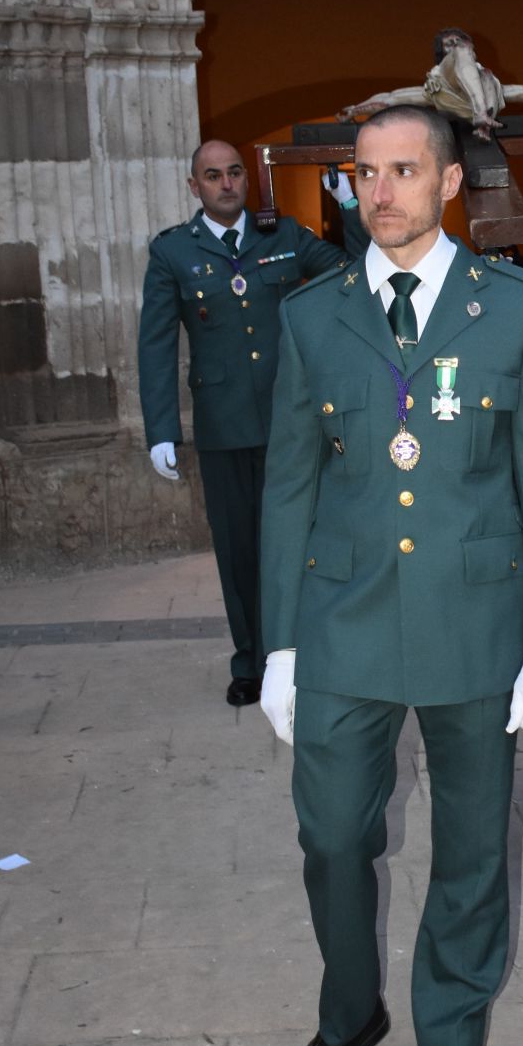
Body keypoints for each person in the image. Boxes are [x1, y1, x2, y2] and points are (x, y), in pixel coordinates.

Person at [257, 105, 523, 1046]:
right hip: (343, 619)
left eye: (403, 171)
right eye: (364, 173)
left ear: (448, 184)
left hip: (476, 620)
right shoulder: (313, 316)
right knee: (332, 835)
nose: (379, 191)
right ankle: (350, 1012)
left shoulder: (519, 310)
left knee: (472, 850)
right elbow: (287, 488)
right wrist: (276, 644)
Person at [138, 140, 365, 707]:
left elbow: (355, 272)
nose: (226, 183)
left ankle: (307, 652)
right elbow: (157, 344)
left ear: (248, 178)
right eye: (212, 175)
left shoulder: (283, 237)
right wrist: (162, 428)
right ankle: (252, 661)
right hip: (224, 427)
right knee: (240, 550)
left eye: (235, 172)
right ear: (195, 187)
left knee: (307, 542)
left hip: (293, 422)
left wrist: (350, 208)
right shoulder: (172, 253)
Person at [337, 27, 523, 134]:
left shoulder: (487, 78)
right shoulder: (435, 86)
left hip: (481, 101)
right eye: (449, 45)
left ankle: (481, 114)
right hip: (453, 101)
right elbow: (391, 99)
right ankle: (481, 115)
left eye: (458, 43)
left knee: (492, 79)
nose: (455, 47)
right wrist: (356, 110)